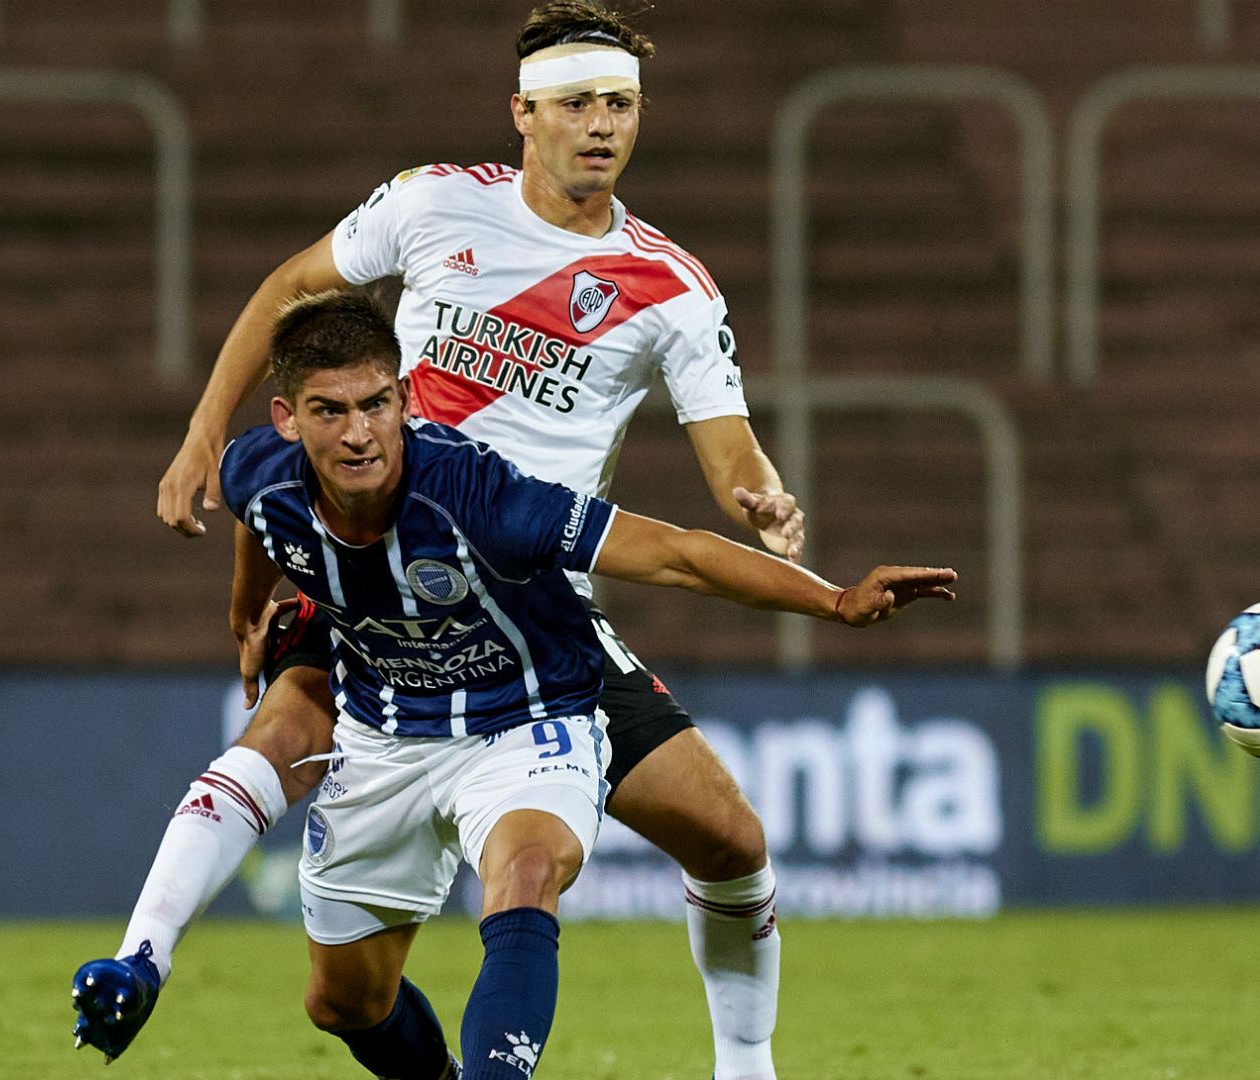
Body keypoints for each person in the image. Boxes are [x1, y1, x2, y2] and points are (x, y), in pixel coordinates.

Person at [73, 4, 812, 1077]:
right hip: (365, 564)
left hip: (525, 605)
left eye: (619, 104)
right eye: (575, 104)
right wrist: (201, 433)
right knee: (338, 969)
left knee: (733, 841)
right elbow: (292, 294)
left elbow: (730, 451)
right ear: (523, 113)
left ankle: (748, 1071)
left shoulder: (674, 290)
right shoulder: (433, 205)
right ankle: (145, 950)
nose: (599, 125)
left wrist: (765, 498)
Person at [80, 290, 954, 1080]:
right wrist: (248, 611)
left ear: (407, 400)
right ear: (286, 419)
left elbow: (678, 555)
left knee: (533, 868)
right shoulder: (257, 474)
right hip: (388, 731)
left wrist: (835, 601)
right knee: (342, 1001)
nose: (358, 434)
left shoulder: (480, 494)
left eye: (376, 405)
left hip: (530, 715)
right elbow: (258, 523)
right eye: (330, 412)